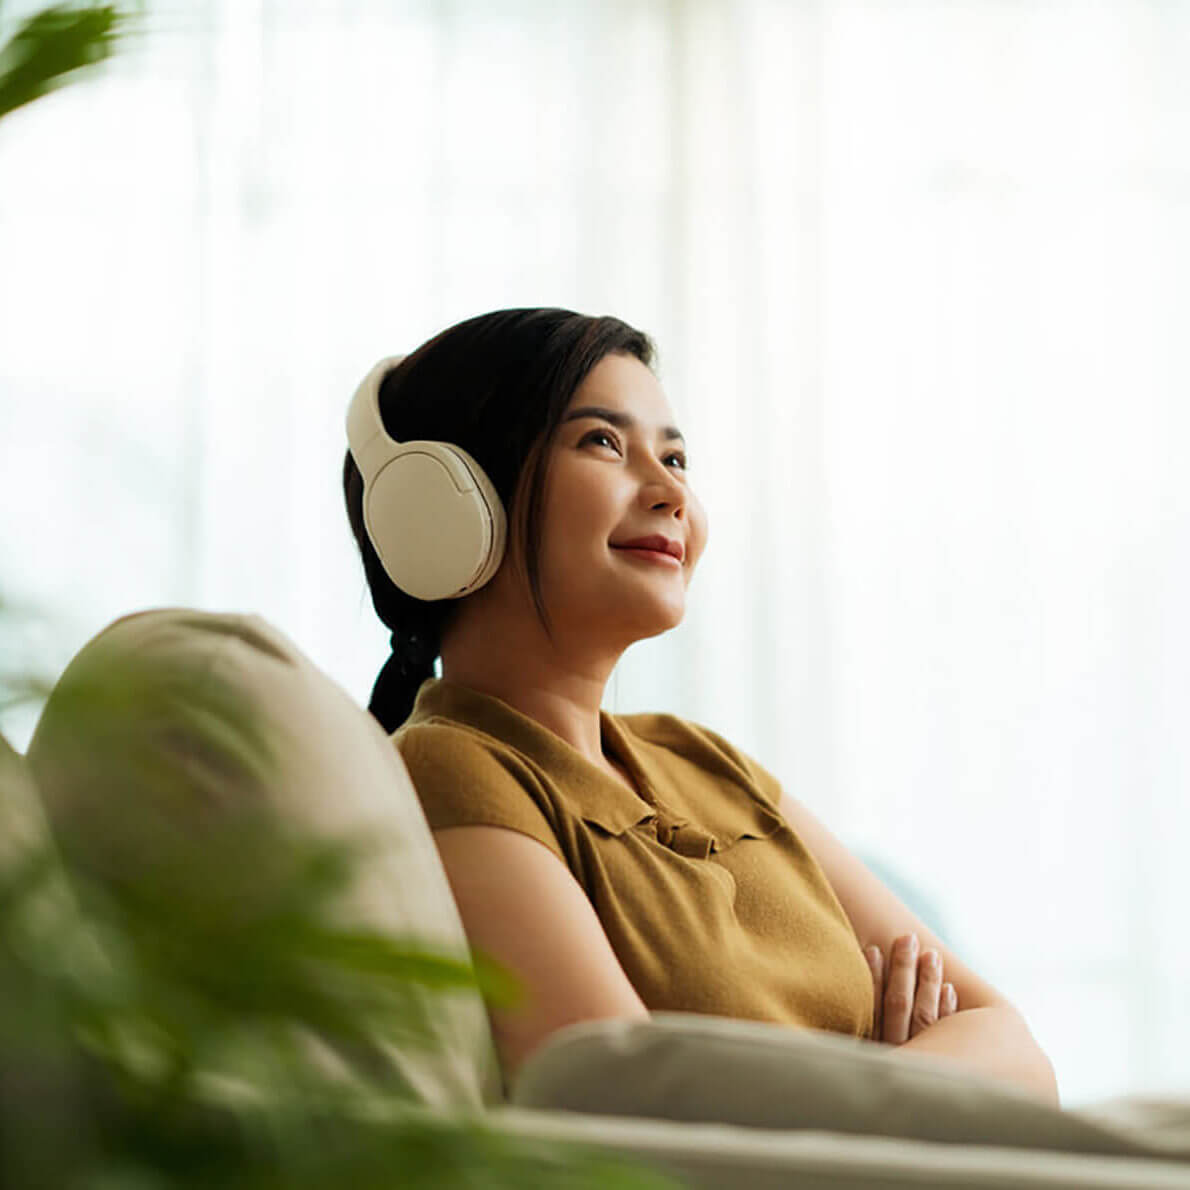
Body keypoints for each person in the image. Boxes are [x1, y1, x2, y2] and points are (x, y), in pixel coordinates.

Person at [342, 307, 1046, 1098]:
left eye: (676, 456)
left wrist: (872, 1095)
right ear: (447, 507)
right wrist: (895, 1077)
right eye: (603, 441)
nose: (671, 488)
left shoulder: (701, 758)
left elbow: (1018, 1053)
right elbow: (634, 1113)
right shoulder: (453, 767)